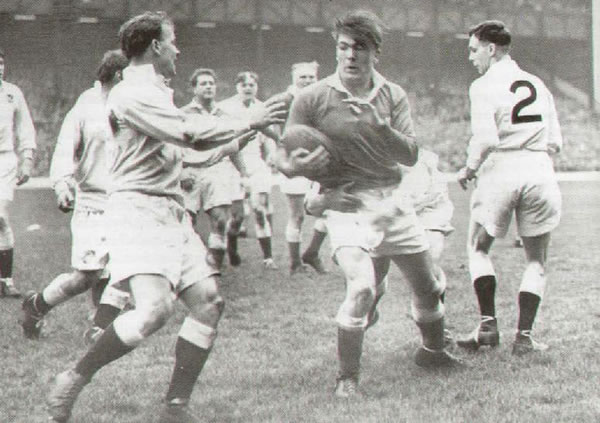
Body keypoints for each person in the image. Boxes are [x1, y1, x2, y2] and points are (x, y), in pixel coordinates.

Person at [46, 11, 285, 423]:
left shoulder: (156, 92)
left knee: (209, 303)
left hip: (169, 210)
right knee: (155, 310)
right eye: (172, 41)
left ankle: (175, 407)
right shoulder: (131, 93)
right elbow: (189, 134)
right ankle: (73, 376)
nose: (177, 49)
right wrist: (249, 119)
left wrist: (246, 133)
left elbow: (189, 152)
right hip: (137, 211)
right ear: (156, 46)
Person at [279, 10, 461, 398]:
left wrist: (383, 128)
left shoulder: (393, 94)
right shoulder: (313, 97)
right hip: (346, 204)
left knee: (429, 288)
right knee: (362, 288)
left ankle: (433, 352)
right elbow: (284, 155)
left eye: (359, 47)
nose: (350, 55)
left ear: (375, 52)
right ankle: (348, 378)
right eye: (343, 47)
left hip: (392, 202)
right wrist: (302, 175)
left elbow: (410, 154)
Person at [456, 20, 562, 356]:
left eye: (474, 50)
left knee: (478, 247)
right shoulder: (538, 84)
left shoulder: (483, 85)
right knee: (536, 261)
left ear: (491, 49)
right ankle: (524, 338)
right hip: (539, 168)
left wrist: (469, 168)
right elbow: (556, 143)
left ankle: (488, 326)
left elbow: (487, 138)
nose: (470, 57)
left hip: (502, 167)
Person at [19, 50, 130, 340]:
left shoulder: (131, 105)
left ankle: (99, 328)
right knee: (86, 277)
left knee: (125, 268)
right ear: (120, 74)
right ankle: (36, 305)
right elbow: (64, 148)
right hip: (93, 200)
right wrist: (62, 184)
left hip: (126, 198)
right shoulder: (86, 106)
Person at [179, 68, 253, 269]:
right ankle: (188, 267)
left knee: (220, 221)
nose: (208, 87)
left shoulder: (224, 115)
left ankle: (214, 269)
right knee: (187, 222)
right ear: (193, 88)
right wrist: (180, 171)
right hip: (190, 172)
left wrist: (244, 174)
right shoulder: (183, 114)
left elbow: (233, 147)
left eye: (211, 83)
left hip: (216, 170)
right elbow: (172, 147)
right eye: (203, 83)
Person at [220, 72, 279, 270]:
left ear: (256, 87)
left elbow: (268, 137)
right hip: (232, 163)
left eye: (251, 84)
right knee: (238, 216)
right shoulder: (225, 108)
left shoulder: (263, 108)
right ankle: (232, 248)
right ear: (237, 86)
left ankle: (268, 258)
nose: (248, 88)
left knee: (260, 209)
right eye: (243, 84)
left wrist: (271, 155)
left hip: (255, 162)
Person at [276, 61, 328, 275]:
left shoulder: (322, 98)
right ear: (293, 79)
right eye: (302, 77)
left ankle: (312, 252)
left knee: (328, 209)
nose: (307, 81)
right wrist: (282, 144)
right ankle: (295, 262)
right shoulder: (286, 100)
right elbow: (269, 126)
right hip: (295, 161)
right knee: (297, 215)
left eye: (311, 77)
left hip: (319, 161)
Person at [0, 47, 36, 298]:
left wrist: (27, 159)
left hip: (4, 160)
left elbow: (25, 128)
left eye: (1, 63)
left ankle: (6, 280)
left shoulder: (13, 93)